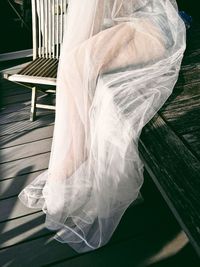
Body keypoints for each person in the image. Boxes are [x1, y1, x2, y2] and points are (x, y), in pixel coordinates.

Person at [19, 0, 186, 253]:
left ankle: (76, 159)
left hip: (160, 24)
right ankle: (77, 157)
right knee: (76, 66)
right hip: (138, 23)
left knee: (78, 66)